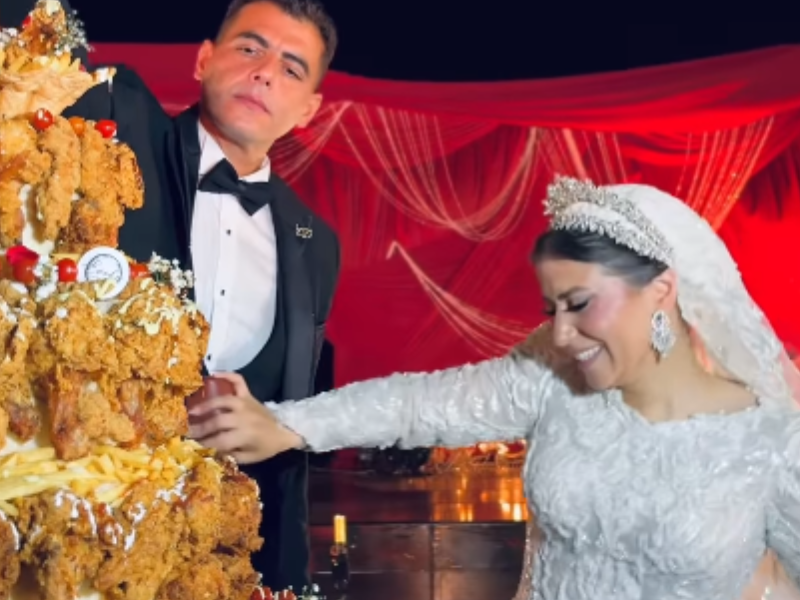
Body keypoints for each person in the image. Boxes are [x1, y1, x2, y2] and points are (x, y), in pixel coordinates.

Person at [190, 176, 800, 599]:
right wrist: (287, 424)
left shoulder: (773, 443)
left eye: (580, 304)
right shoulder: (553, 380)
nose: (560, 335)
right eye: (552, 308)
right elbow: (418, 403)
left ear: (662, 291)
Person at [64, 0, 341, 591]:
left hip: (221, 553)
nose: (265, 70)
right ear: (203, 59)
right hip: (83, 530)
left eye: (292, 68)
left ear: (309, 110)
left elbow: (296, 404)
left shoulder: (316, 242)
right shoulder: (123, 128)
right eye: (249, 47)